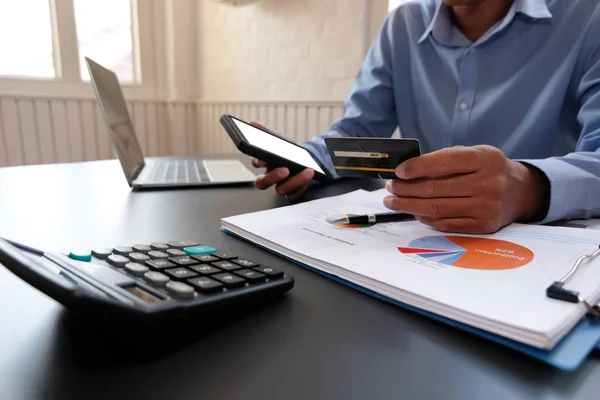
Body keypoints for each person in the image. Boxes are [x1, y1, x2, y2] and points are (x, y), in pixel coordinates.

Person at [251, 0, 600, 234]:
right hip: (423, 240)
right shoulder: (403, 24)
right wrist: (306, 160)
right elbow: (357, 131)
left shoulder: (588, 17)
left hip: (545, 248)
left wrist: (527, 189)